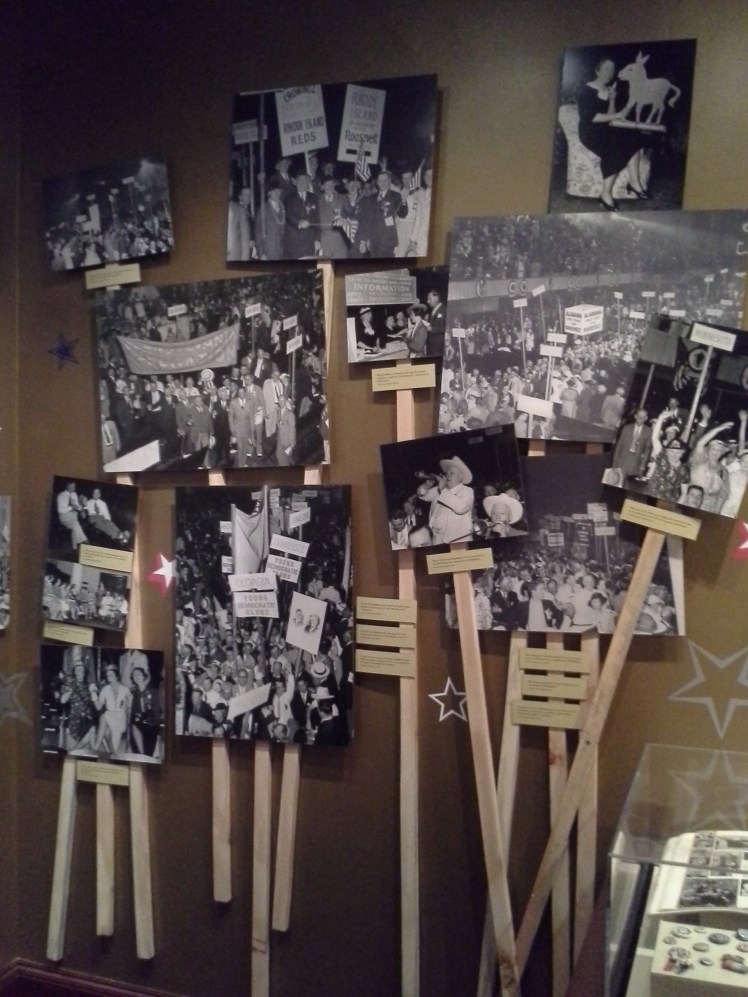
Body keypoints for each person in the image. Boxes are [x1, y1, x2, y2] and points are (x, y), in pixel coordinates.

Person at [577, 58, 649, 211]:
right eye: (606, 69)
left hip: (605, 129)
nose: (610, 73)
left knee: (633, 136)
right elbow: (592, 117)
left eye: (612, 70)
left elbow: (609, 116)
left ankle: (635, 184)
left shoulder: (608, 89)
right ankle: (605, 194)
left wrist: (612, 99)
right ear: (597, 71)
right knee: (614, 147)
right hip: (590, 132)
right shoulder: (587, 90)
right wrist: (618, 114)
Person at [416, 456, 475, 544]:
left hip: (458, 541)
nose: (448, 475)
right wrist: (426, 485)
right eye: (446, 473)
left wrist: (442, 489)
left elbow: (461, 508)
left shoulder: (466, 491)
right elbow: (422, 495)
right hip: (437, 540)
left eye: (452, 473)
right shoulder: (439, 489)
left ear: (461, 477)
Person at [91, 664, 132, 754]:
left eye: (111, 675)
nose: (109, 678)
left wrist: (129, 703)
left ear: (116, 676)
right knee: (105, 723)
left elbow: (129, 708)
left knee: (104, 719)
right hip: (109, 715)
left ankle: (98, 749)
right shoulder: (105, 690)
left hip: (120, 718)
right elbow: (98, 707)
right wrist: (93, 693)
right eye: (108, 676)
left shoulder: (125, 689)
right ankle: (98, 749)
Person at [284, 173, 320, 258]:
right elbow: (288, 214)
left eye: (305, 180)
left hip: (309, 240)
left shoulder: (313, 197)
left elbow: (317, 219)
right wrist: (299, 222)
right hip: (294, 241)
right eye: (300, 180)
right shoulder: (288, 197)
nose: (302, 183)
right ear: (295, 182)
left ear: (308, 183)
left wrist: (317, 239)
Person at [611, 408, 652, 482]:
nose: (641, 418)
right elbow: (619, 446)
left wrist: (642, 467)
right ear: (635, 416)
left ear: (646, 418)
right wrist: (614, 462)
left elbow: (647, 451)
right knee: (617, 482)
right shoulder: (626, 428)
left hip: (636, 463)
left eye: (643, 417)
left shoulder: (648, 431)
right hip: (622, 460)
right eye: (639, 416)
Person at [255, 181, 286, 260]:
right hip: (268, 249)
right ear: (269, 193)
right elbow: (258, 231)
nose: (277, 193)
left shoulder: (283, 207)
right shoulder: (263, 208)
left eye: (279, 191)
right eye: (274, 191)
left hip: (281, 250)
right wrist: (261, 252)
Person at [56, 481, 87, 548]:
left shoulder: (74, 494)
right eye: (73, 486)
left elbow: (77, 506)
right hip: (64, 516)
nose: (74, 488)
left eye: (74, 486)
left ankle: (75, 548)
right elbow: (60, 510)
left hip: (73, 516)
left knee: (74, 526)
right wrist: (71, 507)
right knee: (75, 523)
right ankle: (84, 541)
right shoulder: (61, 496)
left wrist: (82, 510)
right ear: (68, 486)